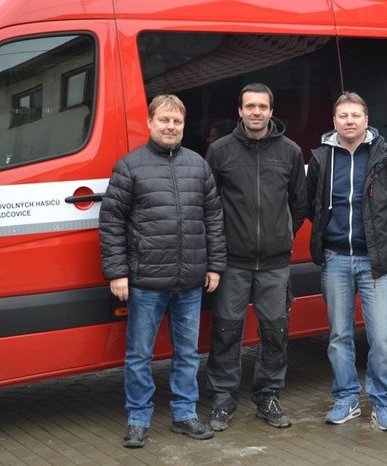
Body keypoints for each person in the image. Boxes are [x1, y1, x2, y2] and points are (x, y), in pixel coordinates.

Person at [99, 94, 227, 448]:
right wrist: (117, 273)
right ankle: (138, 419)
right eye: (164, 120)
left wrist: (215, 265)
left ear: (184, 126)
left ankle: (185, 414)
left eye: (177, 122)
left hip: (190, 281)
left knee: (187, 354)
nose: (171, 127)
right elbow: (111, 222)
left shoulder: (198, 165)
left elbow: (213, 218)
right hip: (145, 282)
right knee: (139, 356)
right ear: (150, 123)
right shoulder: (129, 166)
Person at [307, 92, 387, 431]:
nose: (349, 121)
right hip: (335, 260)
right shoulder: (321, 158)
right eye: (343, 116)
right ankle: (346, 399)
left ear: (367, 120)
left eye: (355, 115)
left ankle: (383, 403)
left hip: (376, 262)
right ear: (334, 121)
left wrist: (384, 238)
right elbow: (313, 204)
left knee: (382, 338)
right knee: (339, 336)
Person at [204, 83, 308, 431]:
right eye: (250, 106)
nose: (256, 112)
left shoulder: (290, 152)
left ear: (271, 110)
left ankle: (268, 397)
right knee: (226, 332)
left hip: (275, 264)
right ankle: (223, 400)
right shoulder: (220, 151)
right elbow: (210, 205)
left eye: (262, 106)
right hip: (233, 262)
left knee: (275, 332)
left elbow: (299, 202)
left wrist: (283, 235)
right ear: (240, 110)